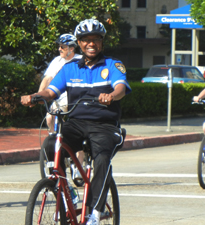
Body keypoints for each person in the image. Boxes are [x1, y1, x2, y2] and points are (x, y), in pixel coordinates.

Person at [21, 19, 131, 225]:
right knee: (50, 145)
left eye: (96, 39)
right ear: (79, 43)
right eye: (86, 40)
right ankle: (64, 192)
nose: (91, 44)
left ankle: (95, 215)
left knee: (101, 161)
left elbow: (120, 88)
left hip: (105, 126)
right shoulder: (70, 68)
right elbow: (52, 91)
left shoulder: (112, 65)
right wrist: (35, 96)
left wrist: (111, 96)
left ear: (102, 42)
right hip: (76, 123)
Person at [38, 33, 84, 180]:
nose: (59, 49)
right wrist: (38, 95)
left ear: (72, 48)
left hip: (74, 101)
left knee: (78, 133)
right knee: (49, 118)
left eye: (63, 47)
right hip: (58, 100)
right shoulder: (57, 61)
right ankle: (55, 147)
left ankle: (78, 167)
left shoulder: (80, 61)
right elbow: (47, 79)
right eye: (59, 46)